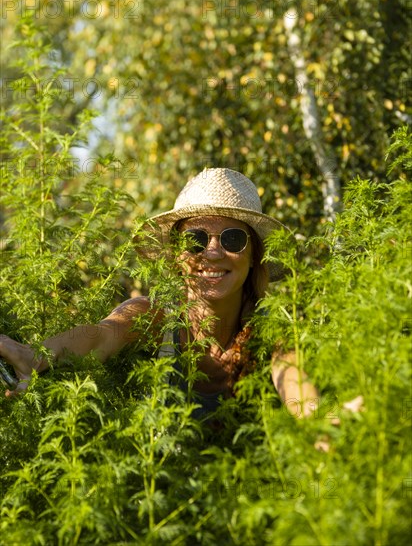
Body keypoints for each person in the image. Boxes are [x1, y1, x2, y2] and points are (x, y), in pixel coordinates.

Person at [0, 168, 318, 417]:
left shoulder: (271, 331)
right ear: (177, 254)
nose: (212, 252)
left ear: (253, 256)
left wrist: (320, 420)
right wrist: (34, 357)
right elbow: (100, 335)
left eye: (233, 239)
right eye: (196, 239)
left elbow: (293, 379)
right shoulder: (154, 318)